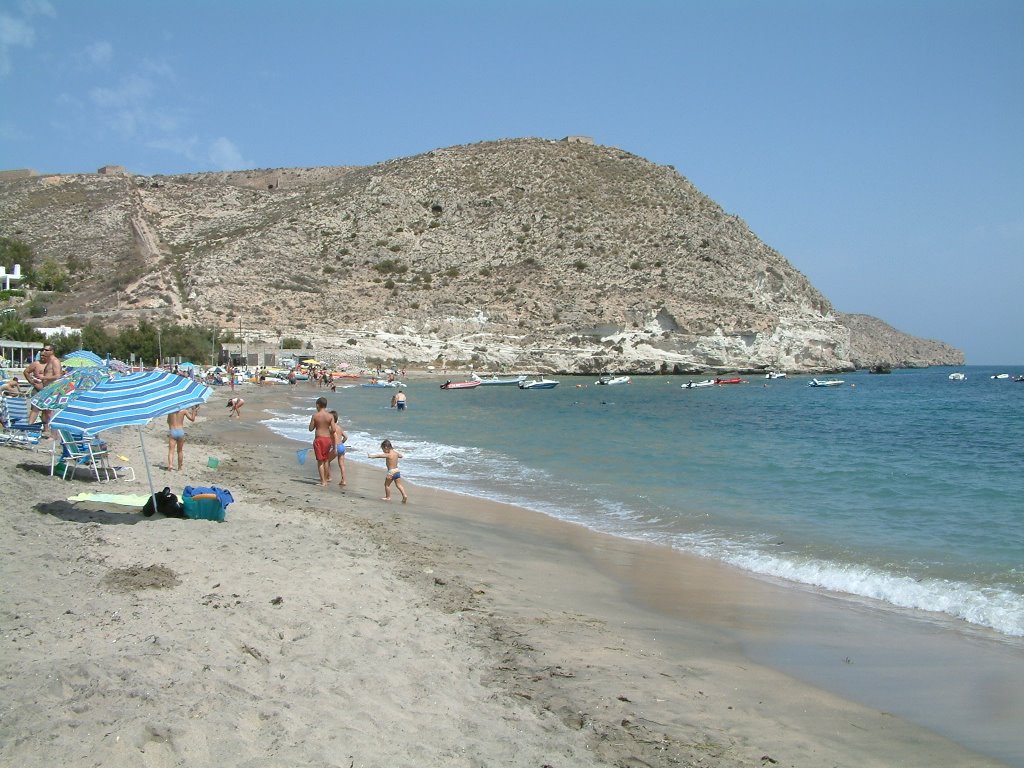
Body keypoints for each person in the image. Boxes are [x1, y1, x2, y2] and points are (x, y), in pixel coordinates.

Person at [24, 345, 62, 436]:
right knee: (35, 409)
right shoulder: (39, 363)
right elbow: (26, 371)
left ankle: (50, 432)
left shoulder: (55, 361)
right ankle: (29, 427)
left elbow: (57, 376)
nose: (43, 352)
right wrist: (32, 381)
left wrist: (43, 377)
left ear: (52, 351)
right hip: (41, 389)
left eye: (46, 350)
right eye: (42, 350)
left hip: (49, 390)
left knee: (47, 411)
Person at [367, 439, 408, 503]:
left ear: (386, 447)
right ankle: (404, 495)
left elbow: (379, 455)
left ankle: (388, 497)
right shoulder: (396, 453)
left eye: (383, 449)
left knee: (386, 485)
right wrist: (397, 456)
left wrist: (371, 456)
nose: (383, 451)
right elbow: (401, 456)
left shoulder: (388, 454)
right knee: (399, 485)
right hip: (397, 471)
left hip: (391, 472)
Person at [308, 396, 335, 486]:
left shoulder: (315, 416)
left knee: (320, 461)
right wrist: (327, 430)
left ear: (318, 405)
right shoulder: (330, 416)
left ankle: (323, 482)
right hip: (327, 439)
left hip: (319, 439)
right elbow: (334, 429)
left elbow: (310, 428)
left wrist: (316, 425)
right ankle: (326, 479)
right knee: (326, 460)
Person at [166, 406, 198, 471]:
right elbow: (192, 419)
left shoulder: (170, 411)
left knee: (171, 450)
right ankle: (180, 467)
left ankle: (170, 465)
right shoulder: (184, 411)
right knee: (180, 451)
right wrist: (194, 410)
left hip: (173, 430)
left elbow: (168, 421)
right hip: (180, 431)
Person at [329, 409, 348, 486]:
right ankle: (344, 480)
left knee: (327, 461)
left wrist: (333, 446)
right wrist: (341, 443)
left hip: (336, 447)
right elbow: (346, 437)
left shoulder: (331, 428)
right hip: (341, 447)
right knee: (342, 464)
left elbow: (333, 436)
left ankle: (329, 477)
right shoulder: (339, 427)